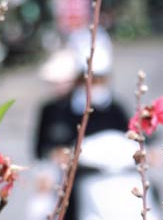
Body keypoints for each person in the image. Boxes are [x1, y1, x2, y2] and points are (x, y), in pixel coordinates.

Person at [33, 27, 129, 160]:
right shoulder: (54, 111)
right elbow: (41, 150)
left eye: (100, 80)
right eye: (89, 80)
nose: (94, 86)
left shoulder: (116, 110)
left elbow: (134, 141)